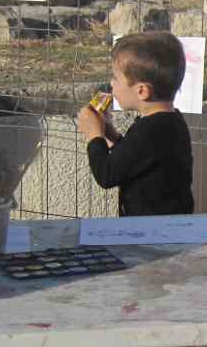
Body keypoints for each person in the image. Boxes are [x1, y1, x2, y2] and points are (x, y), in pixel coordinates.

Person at [77, 32, 194, 217]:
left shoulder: (150, 130)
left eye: (116, 78)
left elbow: (107, 175)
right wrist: (111, 135)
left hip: (153, 231)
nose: (111, 84)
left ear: (142, 91)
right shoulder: (167, 122)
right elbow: (136, 158)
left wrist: (94, 136)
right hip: (169, 223)